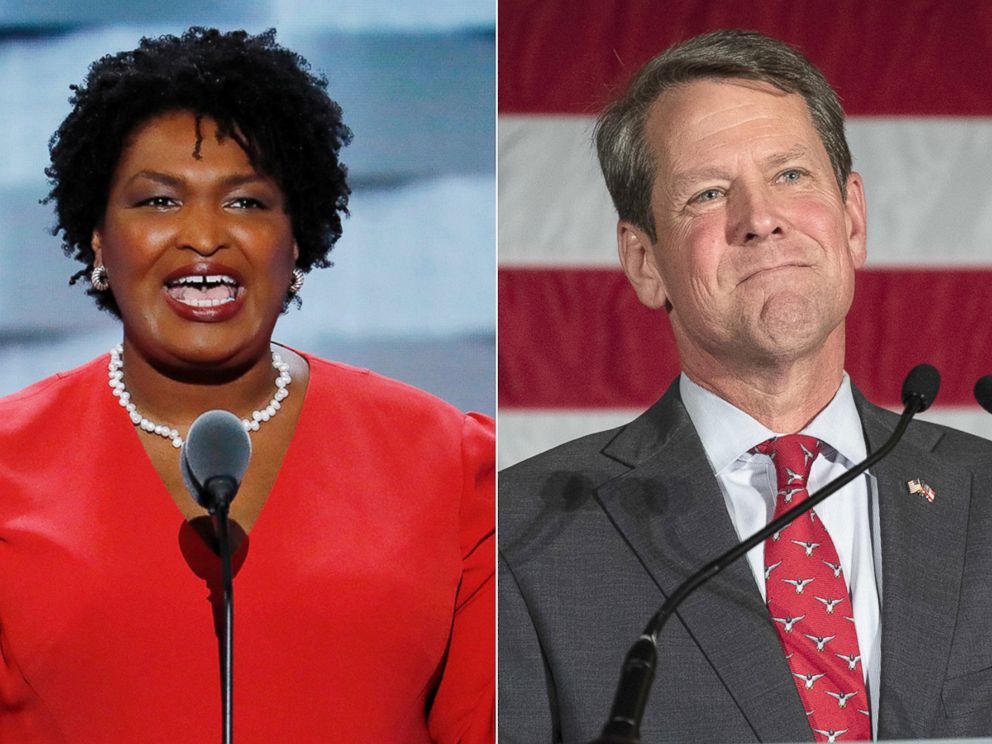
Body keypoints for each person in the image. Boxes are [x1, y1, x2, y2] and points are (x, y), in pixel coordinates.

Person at [0, 28, 494, 743]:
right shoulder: (10, 465)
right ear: (97, 239)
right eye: (158, 202)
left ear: (298, 243)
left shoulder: (450, 465)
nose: (204, 236)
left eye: (248, 204)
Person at [499, 29, 992, 743]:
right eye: (707, 193)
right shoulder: (524, 534)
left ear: (852, 218)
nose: (760, 218)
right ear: (643, 262)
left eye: (791, 175)